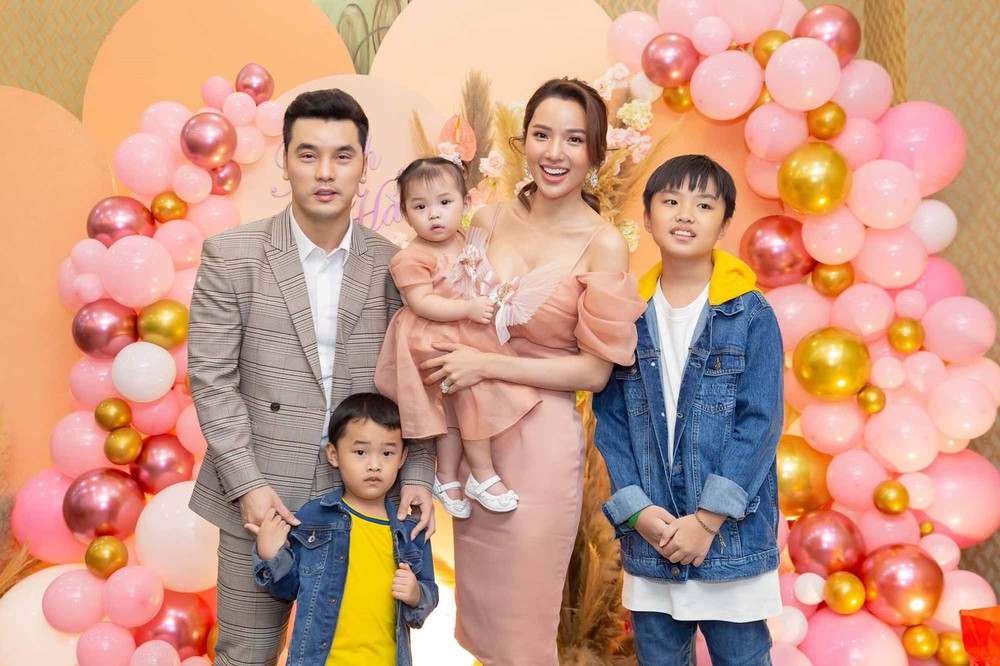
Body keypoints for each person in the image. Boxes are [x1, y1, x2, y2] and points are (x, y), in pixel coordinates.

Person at [187, 88, 436, 666]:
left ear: (364, 165)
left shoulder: (397, 265)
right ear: (285, 161)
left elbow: (417, 382)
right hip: (261, 491)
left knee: (361, 653)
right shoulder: (232, 255)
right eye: (308, 154)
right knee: (246, 655)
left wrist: (418, 472)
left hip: (365, 498)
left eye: (342, 156)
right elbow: (212, 380)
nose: (326, 172)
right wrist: (248, 488)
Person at [419, 78, 646, 664]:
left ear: (595, 154)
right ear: (524, 142)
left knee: (524, 629)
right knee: (484, 623)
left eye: (574, 139)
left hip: (540, 444)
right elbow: (454, 309)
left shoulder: (603, 244)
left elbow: (594, 373)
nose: (555, 152)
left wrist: (485, 364)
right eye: (542, 134)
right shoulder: (487, 218)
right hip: (476, 438)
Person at [593, 155, 784, 665]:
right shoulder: (627, 313)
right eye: (671, 201)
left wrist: (707, 519)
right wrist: (636, 510)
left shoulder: (751, 314)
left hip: (730, 541)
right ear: (647, 216)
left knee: (742, 657)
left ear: (724, 224)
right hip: (652, 537)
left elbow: (760, 424)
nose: (685, 214)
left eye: (703, 205)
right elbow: (611, 421)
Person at [375, 157, 545, 517]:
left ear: (465, 204)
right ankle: (481, 473)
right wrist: (468, 309)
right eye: (420, 207)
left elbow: (482, 277)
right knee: (472, 392)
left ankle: (447, 475)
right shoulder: (411, 258)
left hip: (462, 330)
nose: (434, 214)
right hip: (428, 336)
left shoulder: (468, 241)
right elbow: (422, 302)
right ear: (405, 214)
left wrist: (499, 296)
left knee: (452, 409)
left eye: (444, 202)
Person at [249, 393, 438, 666]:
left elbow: (427, 598)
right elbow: (288, 590)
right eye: (360, 452)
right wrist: (271, 554)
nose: (374, 464)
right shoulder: (314, 518)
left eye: (387, 453)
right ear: (334, 455)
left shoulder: (411, 532)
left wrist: (416, 595)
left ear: (402, 458)